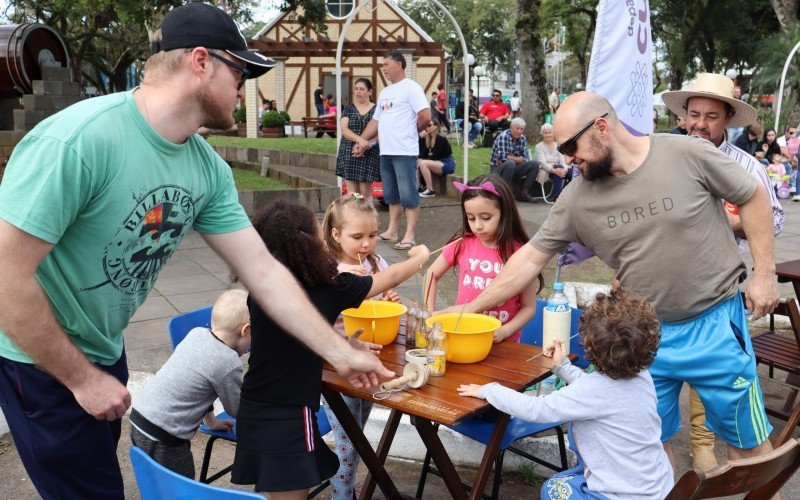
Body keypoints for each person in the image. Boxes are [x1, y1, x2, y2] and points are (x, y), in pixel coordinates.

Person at [0, 4, 392, 498]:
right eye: (241, 71)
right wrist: (80, 379)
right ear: (201, 62)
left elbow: (266, 275)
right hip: (40, 360)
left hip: (103, 346)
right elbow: (5, 275)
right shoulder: (79, 141)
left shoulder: (207, 169)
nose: (246, 86)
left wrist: (338, 350)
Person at [453, 91, 780, 473]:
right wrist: (466, 310)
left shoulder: (686, 153)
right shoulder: (577, 198)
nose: (567, 158)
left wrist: (765, 274)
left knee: (749, 447)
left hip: (716, 325)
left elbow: (753, 196)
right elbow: (529, 258)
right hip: (641, 340)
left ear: (602, 127)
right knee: (647, 446)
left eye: (571, 147)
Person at [231, 201, 430, 498]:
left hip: (254, 407)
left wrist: (339, 349)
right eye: (318, 233)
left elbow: (285, 347)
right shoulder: (330, 289)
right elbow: (389, 277)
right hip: (288, 416)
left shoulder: (262, 293)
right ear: (308, 244)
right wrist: (421, 256)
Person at [663, 72, 785, 472]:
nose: (699, 123)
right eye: (693, 114)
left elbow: (774, 218)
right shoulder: (665, 156)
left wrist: (728, 223)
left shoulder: (747, 166)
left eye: (711, 116)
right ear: (683, 115)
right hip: (664, 296)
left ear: (728, 118)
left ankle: (707, 444)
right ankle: (687, 459)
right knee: (650, 416)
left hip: (718, 295)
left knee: (727, 399)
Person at [458, 287, 674, 499]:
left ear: (590, 345)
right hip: (658, 486)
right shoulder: (642, 375)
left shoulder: (592, 391)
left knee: (553, 489)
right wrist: (562, 366)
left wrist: (489, 389)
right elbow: (596, 393)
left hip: (621, 494)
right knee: (566, 478)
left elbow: (536, 409)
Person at [319, 195, 402, 500]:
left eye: (372, 235)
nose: (366, 244)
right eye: (357, 237)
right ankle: (342, 495)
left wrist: (389, 299)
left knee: (354, 438)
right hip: (338, 369)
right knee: (349, 443)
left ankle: (346, 487)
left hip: (370, 362)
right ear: (336, 234)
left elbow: (381, 306)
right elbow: (318, 320)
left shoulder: (377, 263)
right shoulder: (327, 269)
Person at [130, 289, 250, 479]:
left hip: (140, 419)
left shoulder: (196, 334)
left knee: (156, 480)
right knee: (180, 486)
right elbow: (239, 409)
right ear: (245, 331)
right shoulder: (228, 362)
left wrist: (211, 421)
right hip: (166, 435)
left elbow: (198, 384)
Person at [425, 175, 541, 343]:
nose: (478, 225)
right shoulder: (462, 243)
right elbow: (431, 274)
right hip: (463, 333)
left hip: (503, 344)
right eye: (471, 218)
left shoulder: (520, 254)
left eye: (486, 218)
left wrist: (504, 331)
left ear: (505, 213)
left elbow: (529, 307)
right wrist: (429, 312)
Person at [352, 50, 431, 251]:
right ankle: (392, 230)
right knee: (391, 194)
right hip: (386, 151)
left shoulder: (412, 88)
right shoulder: (385, 92)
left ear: (399, 64)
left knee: (409, 194)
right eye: (383, 65)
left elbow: (425, 115)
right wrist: (362, 140)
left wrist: (412, 131)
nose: (383, 68)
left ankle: (410, 235)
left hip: (405, 151)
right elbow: (375, 121)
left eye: (386, 64)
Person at [336, 78, 379, 201]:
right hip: (350, 152)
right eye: (356, 89)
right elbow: (345, 130)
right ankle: (355, 218)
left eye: (362, 89)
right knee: (352, 193)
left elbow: (380, 132)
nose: (358, 92)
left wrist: (366, 145)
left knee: (365, 193)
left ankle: (368, 218)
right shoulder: (348, 109)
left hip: (369, 152)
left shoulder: (377, 110)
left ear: (369, 92)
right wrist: (360, 141)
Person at [490, 117, 543, 203]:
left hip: (513, 168)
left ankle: (524, 193)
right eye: (517, 128)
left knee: (535, 164)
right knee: (510, 163)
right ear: (511, 127)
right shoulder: (503, 137)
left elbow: (525, 158)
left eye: (521, 129)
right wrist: (517, 159)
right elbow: (502, 158)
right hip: (497, 170)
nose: (519, 131)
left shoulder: (522, 139)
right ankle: (506, 195)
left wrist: (510, 157)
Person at [417, 117, 456, 197]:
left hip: (447, 163)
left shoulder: (441, 139)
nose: (426, 127)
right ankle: (419, 187)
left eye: (429, 125)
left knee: (423, 163)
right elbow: (422, 155)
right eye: (426, 126)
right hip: (437, 162)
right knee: (416, 161)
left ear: (436, 126)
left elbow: (435, 155)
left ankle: (430, 190)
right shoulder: (428, 138)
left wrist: (423, 160)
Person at [534, 123, 572, 201]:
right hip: (546, 171)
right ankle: (557, 197)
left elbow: (563, 160)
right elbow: (542, 163)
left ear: (553, 133)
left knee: (573, 171)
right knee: (559, 168)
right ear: (542, 134)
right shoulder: (539, 147)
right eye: (545, 133)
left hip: (559, 170)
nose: (548, 135)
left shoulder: (557, 145)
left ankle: (572, 195)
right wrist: (554, 170)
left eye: (550, 132)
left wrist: (564, 169)